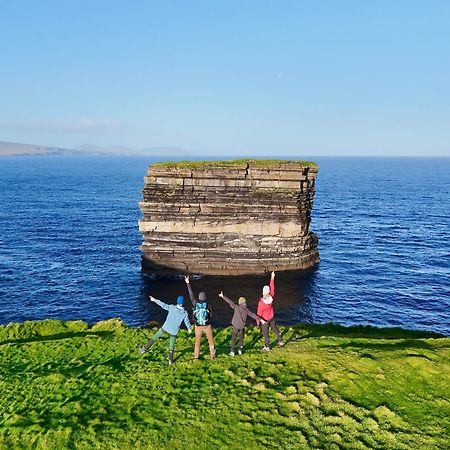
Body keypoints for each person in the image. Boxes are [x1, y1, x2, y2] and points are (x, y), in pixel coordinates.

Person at [139, 295, 192, 365]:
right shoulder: (185, 313)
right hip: (174, 331)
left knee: (155, 337)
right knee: (171, 345)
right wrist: (189, 328)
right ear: (183, 303)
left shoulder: (172, 307)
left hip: (166, 327)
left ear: (177, 302)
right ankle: (170, 360)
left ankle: (144, 349)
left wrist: (154, 300)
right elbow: (187, 321)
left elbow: (163, 305)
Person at [219, 291, 266, 356]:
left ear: (239, 302)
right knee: (241, 338)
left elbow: (230, 302)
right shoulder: (246, 310)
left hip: (235, 326)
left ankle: (232, 351)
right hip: (241, 327)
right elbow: (253, 315)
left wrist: (223, 296)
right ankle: (240, 350)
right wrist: (261, 320)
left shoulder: (236, 307)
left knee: (233, 338)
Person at [184, 275, 216, 359]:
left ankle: (196, 356)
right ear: (205, 298)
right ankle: (213, 355)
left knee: (197, 341)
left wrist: (188, 283)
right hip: (207, 325)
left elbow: (191, 294)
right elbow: (211, 315)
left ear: (199, 298)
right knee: (210, 340)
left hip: (198, 326)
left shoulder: (195, 304)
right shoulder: (208, 305)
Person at [257, 271, 284, 351]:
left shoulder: (261, 302)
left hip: (265, 319)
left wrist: (258, 322)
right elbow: (272, 287)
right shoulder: (271, 296)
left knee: (266, 334)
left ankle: (267, 346)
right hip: (271, 316)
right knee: (274, 328)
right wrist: (272, 277)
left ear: (263, 292)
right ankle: (280, 340)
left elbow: (259, 313)